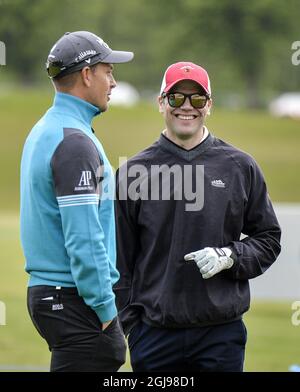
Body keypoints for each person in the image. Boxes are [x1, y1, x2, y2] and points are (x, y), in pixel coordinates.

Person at [115, 61, 281, 372]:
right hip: (153, 335)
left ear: (210, 105)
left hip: (221, 334)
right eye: (176, 98)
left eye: (197, 99)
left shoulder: (239, 166)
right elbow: (120, 261)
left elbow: (269, 239)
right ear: (161, 102)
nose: (187, 107)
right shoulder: (133, 173)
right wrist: (130, 327)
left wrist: (230, 255)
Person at [20, 31, 133, 372]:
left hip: (52, 295)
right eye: (108, 70)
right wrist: (105, 309)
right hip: (74, 298)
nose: (113, 81)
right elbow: (84, 238)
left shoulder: (47, 128)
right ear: (87, 74)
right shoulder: (74, 142)